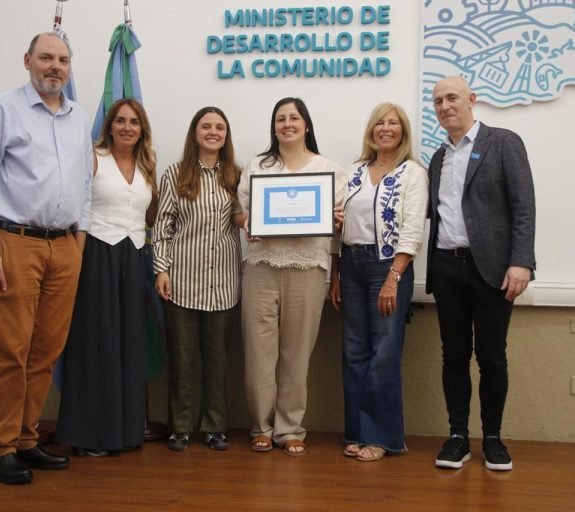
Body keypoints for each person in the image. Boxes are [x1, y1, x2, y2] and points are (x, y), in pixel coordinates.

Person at [0, 32, 92, 484]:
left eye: (63, 60)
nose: (55, 66)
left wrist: (80, 240)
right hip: (15, 242)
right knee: (12, 352)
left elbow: (85, 188)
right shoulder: (3, 108)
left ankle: (25, 440)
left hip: (65, 247)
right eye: (46, 58)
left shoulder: (79, 118)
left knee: (46, 351)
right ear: (27, 61)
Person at [427, 76, 536, 471]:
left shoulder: (503, 142)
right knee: (453, 355)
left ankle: (493, 438)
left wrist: (521, 261)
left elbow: (524, 206)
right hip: (446, 266)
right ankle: (458, 437)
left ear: (471, 100)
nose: (444, 106)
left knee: (491, 356)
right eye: (437, 101)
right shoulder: (438, 158)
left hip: (492, 269)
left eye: (452, 98)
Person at [238, 97, 347, 456]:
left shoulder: (329, 169)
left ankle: (290, 428)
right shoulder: (258, 165)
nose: (287, 124)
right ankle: (261, 427)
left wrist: (335, 220)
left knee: (297, 354)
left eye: (294, 118)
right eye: (281, 118)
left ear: (306, 125)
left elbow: (338, 230)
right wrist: (250, 222)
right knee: (258, 353)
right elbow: (241, 214)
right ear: (274, 127)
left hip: (308, 268)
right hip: (261, 268)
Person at [55, 98, 158, 456]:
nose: (127, 127)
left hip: (134, 259)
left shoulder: (148, 167)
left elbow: (151, 218)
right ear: (110, 125)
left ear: (142, 128)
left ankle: (126, 432)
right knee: (96, 345)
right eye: (120, 121)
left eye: (134, 121)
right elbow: (75, 207)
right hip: (97, 256)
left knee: (128, 345)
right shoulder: (94, 158)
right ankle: (90, 435)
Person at [329, 103, 428, 462]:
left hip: (388, 267)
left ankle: (382, 437)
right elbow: (336, 227)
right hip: (352, 265)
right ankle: (355, 432)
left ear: (403, 132)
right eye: (380, 123)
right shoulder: (353, 171)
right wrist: (336, 272)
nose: (386, 129)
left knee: (383, 353)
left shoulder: (413, 173)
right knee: (354, 353)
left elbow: (413, 227)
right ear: (371, 130)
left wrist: (394, 278)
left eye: (393, 123)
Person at [152, 107, 242, 452]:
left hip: (223, 284)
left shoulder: (236, 175)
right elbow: (162, 228)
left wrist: (267, 219)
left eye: (220, 126)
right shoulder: (175, 175)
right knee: (182, 358)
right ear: (195, 132)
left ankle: (215, 426)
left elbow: (241, 217)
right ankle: (180, 427)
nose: (213, 132)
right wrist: (161, 269)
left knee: (218, 360)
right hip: (181, 283)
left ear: (226, 135)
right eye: (206, 126)